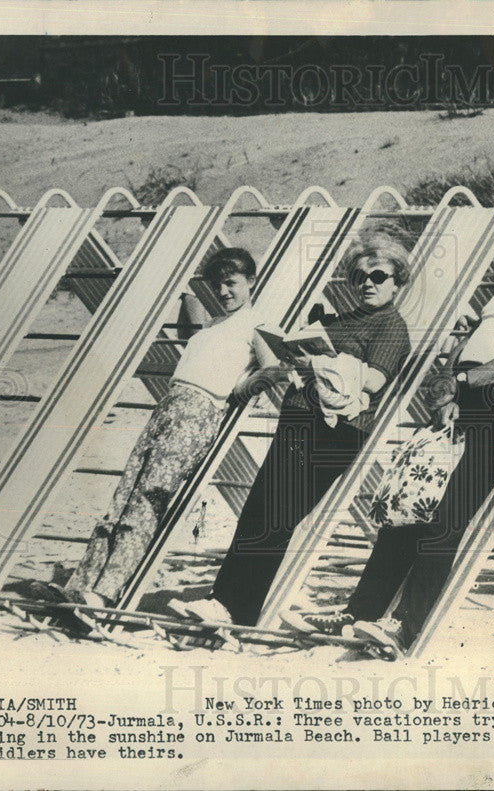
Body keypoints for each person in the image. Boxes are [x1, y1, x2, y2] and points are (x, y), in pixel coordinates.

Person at [282, 194, 494, 654]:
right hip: (465, 394)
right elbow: (458, 350)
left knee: (448, 514)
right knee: (408, 505)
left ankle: (404, 624)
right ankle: (359, 614)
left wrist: (459, 382)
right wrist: (447, 381)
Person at [179, 230, 413, 628]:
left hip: (336, 430)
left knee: (277, 515)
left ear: (397, 280)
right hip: (300, 419)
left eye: (378, 276)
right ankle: (225, 603)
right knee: (258, 510)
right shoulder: (341, 319)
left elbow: (373, 381)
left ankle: (233, 606)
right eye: (359, 277)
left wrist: (318, 362)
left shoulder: (390, 325)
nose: (368, 284)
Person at [31, 247, 286, 609]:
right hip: (168, 407)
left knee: (148, 499)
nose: (225, 291)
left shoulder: (258, 324)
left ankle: (104, 593)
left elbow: (274, 369)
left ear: (251, 282)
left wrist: (237, 392)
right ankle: (79, 585)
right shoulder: (214, 325)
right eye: (218, 285)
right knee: (122, 498)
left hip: (198, 413)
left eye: (232, 283)